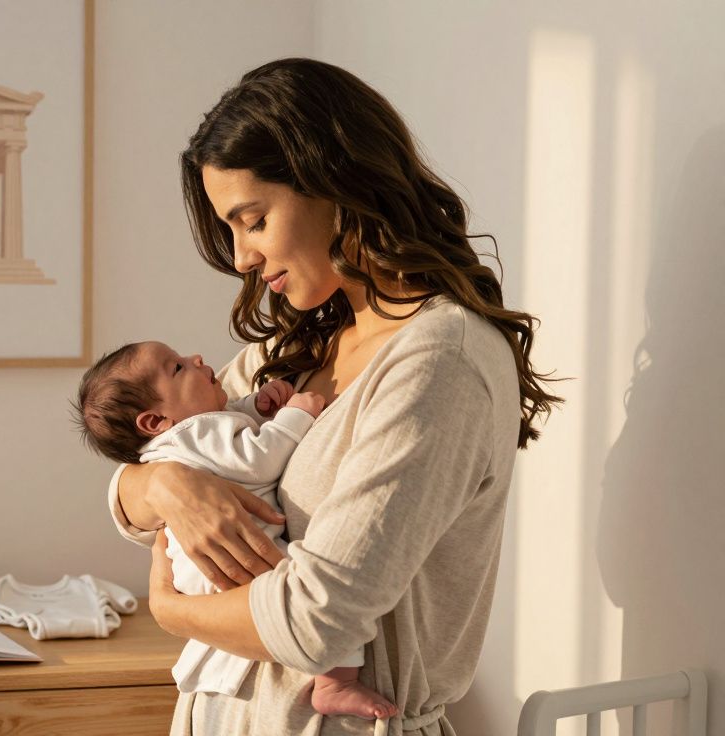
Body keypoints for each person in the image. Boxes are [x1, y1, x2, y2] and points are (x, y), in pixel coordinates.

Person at [107, 58, 562, 735]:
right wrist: (168, 486)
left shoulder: (439, 362)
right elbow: (136, 474)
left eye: (253, 220)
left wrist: (171, 610)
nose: (242, 259)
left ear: (334, 182)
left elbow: (316, 620)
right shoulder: (299, 346)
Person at [73, 340, 398, 720]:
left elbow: (229, 417)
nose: (195, 358)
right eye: (177, 368)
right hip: (228, 563)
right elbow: (257, 459)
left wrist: (261, 404)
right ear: (155, 421)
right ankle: (335, 683)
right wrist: (295, 415)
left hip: (203, 577)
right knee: (317, 587)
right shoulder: (193, 433)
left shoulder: (189, 429)